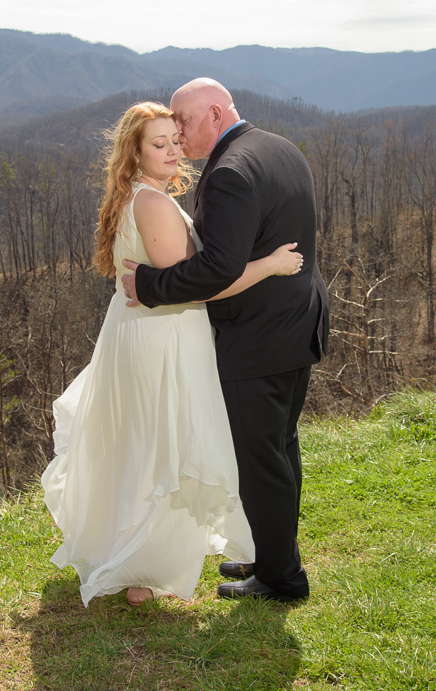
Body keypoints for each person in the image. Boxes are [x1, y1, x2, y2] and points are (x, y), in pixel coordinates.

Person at [41, 101, 304, 607]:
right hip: (161, 335)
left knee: (143, 443)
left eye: (174, 140)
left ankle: (133, 558)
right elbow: (198, 288)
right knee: (157, 446)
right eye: (157, 144)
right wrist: (269, 264)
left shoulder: (140, 196)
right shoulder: (154, 204)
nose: (172, 151)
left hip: (143, 330)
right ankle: (138, 564)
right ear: (134, 154)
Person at [122, 78, 329, 603]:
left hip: (257, 338)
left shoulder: (231, 172)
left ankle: (282, 580)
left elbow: (217, 268)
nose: (179, 132)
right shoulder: (280, 149)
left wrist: (148, 285)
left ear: (215, 113)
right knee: (280, 450)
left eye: (184, 121)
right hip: (297, 323)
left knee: (263, 461)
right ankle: (272, 555)